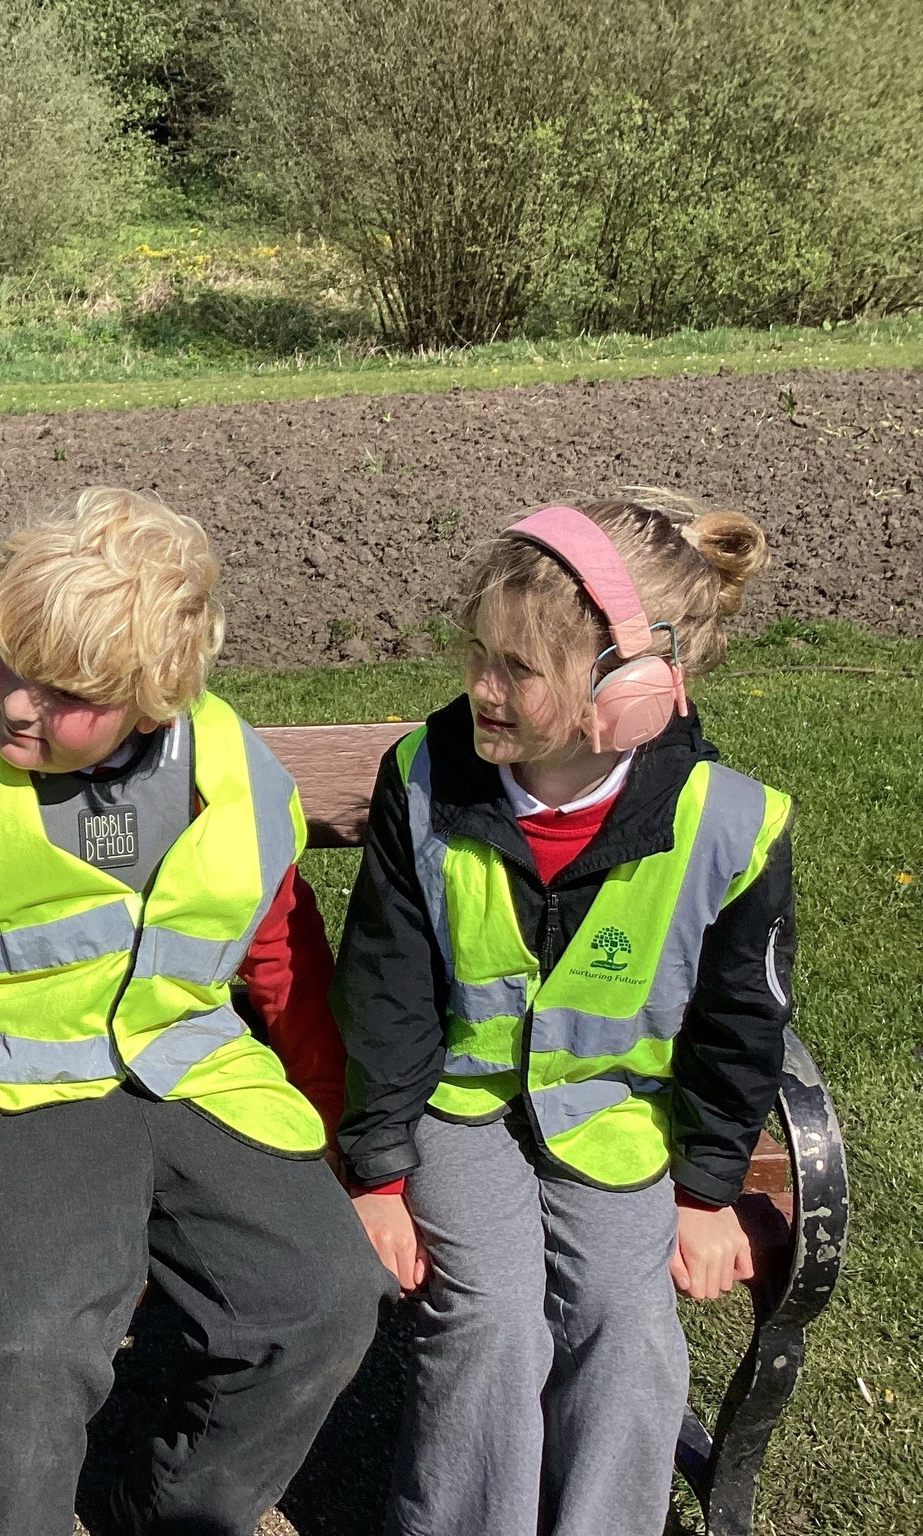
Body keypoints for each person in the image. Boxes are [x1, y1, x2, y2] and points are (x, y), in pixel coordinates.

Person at [0, 488, 390, 1536]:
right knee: (30, 1349)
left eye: (62, 692)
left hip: (194, 1075)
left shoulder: (230, 764)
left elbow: (281, 954)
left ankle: (166, 1512)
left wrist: (340, 1127)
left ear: (150, 703)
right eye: (4, 659)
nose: (16, 703)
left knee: (323, 1298)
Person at [333, 498, 793, 1536]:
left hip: (614, 1119)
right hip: (456, 1109)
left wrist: (705, 1192)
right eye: (478, 655)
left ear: (630, 691)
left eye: (519, 668)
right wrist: (379, 1173)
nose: (482, 688)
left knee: (626, 1323)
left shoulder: (729, 823)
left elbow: (739, 1028)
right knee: (490, 1316)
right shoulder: (423, 778)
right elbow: (384, 991)